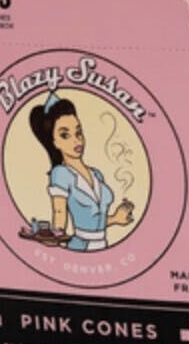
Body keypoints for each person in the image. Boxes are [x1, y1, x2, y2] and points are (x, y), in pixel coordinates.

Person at [28, 92, 134, 251]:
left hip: (102, 245)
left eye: (78, 132)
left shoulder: (96, 174)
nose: (76, 140)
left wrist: (116, 218)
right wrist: (54, 237)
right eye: (65, 135)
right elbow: (59, 213)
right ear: (54, 142)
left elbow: (95, 221)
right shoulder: (61, 174)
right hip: (80, 246)